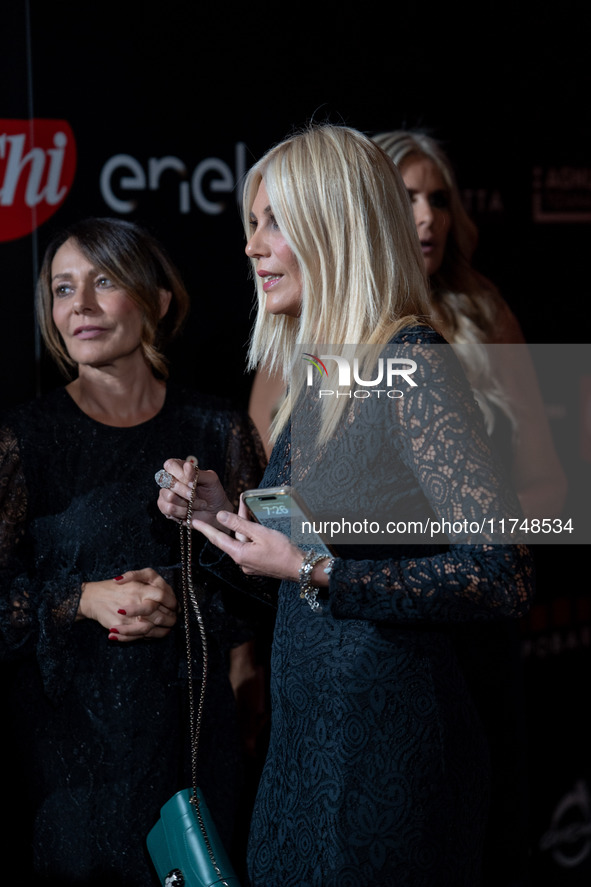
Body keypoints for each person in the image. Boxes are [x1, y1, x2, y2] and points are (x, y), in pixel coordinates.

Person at [156, 123, 536, 887]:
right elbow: (290, 579)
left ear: (336, 224)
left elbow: (502, 574)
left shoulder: (411, 362)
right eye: (250, 223)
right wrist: (218, 516)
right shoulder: (324, 375)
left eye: (273, 223)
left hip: (386, 752)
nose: (251, 246)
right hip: (308, 748)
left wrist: (315, 567)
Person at [0, 217, 267, 886]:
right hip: (68, 766)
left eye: (104, 281)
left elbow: (264, 591)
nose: (80, 306)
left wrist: (191, 579)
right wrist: (80, 600)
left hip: (191, 756)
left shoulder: (217, 428)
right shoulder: (22, 440)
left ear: (157, 300)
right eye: (63, 288)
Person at [250, 129, 567, 521]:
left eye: (438, 200)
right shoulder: (299, 339)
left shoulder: (473, 321)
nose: (426, 217)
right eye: (407, 199)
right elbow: (276, 510)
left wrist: (440, 522)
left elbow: (540, 494)